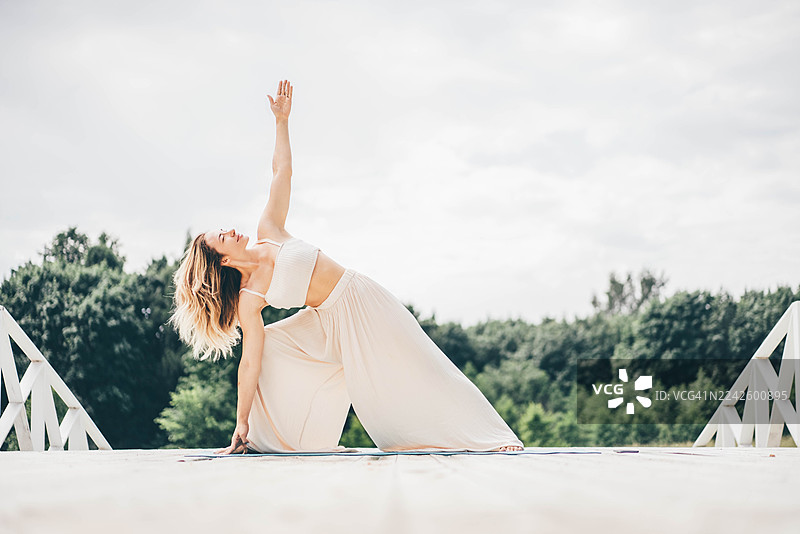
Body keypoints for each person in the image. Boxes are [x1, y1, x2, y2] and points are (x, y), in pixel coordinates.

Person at [170, 80, 525, 454]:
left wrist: (281, 122)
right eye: (222, 236)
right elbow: (249, 365)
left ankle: (490, 438)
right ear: (223, 260)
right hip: (327, 325)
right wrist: (241, 422)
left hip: (359, 297)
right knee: (270, 347)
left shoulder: (268, 231)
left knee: (421, 362)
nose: (230, 230)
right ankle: (273, 438)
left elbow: (280, 172)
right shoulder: (249, 298)